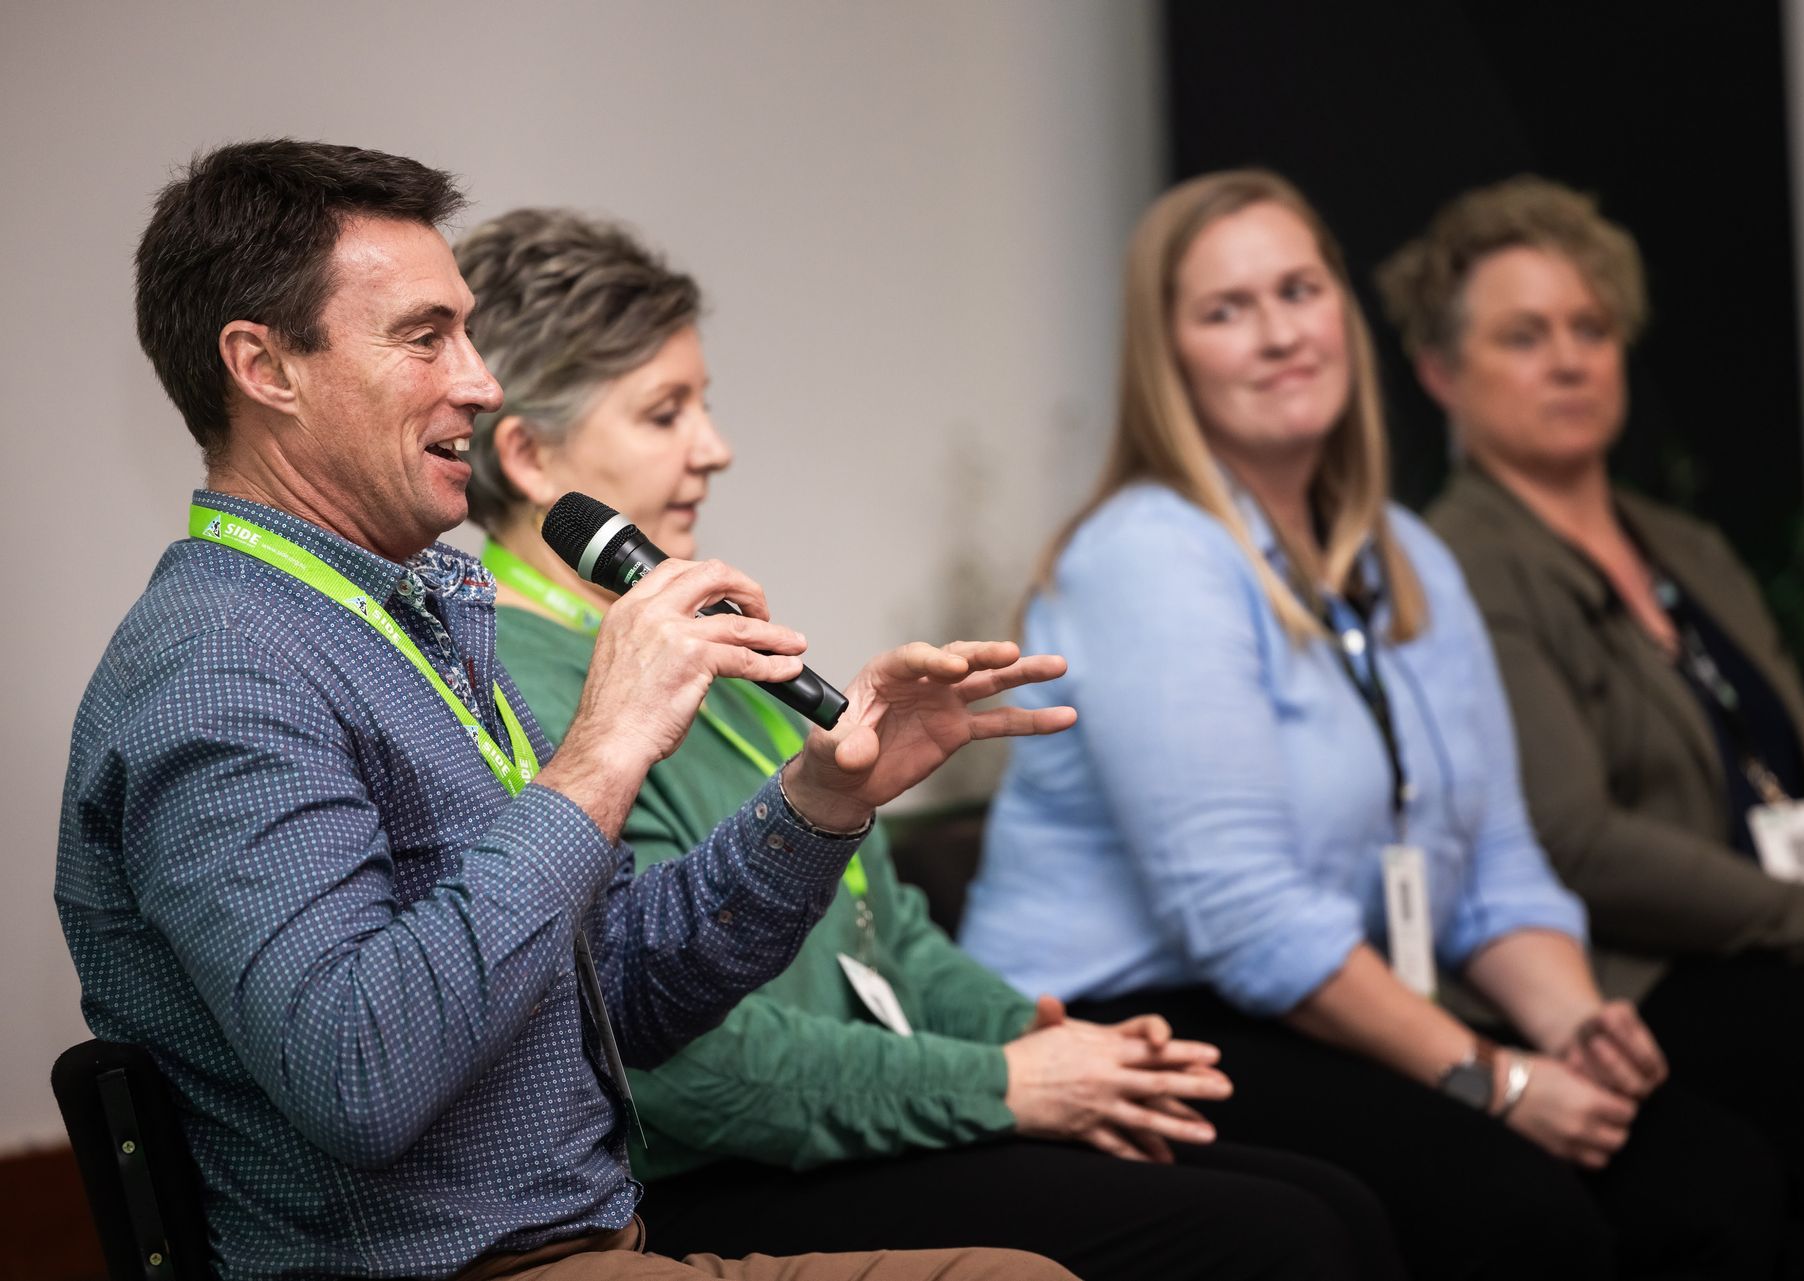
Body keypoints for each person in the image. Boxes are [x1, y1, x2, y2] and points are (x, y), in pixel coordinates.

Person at [55, 139, 1081, 1281]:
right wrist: (599, 753)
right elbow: (360, 1070)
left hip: (604, 1240)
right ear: (265, 367)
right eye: (423, 336)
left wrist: (820, 800)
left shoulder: (398, 623)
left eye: (470, 330)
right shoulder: (220, 670)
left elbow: (621, 996)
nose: (480, 381)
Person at [451, 205, 1408, 1281]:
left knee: (1329, 1198)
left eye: (704, 406)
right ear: (530, 458)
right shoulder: (512, 684)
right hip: (720, 1174)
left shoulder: (715, 634)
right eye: (665, 413)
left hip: (862, 1124)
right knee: (1287, 1234)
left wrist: (1043, 1042)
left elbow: (886, 932)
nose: (714, 450)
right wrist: (1002, 1083)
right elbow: (685, 1072)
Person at [958, 168, 1788, 1281]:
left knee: (1706, 1174)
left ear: (1343, 312)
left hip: (1318, 997)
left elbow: (1494, 858)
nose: (1276, 335)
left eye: (1298, 291)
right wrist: (1487, 1077)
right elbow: (1243, 918)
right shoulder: (1150, 555)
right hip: (1123, 1015)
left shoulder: (1407, 556)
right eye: (1226, 310)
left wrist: (1573, 1025)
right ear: (1169, 360)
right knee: (1515, 1209)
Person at [1386, 174, 1804, 1277]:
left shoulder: (1687, 546)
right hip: (1639, 975)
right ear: (1440, 374)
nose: (1569, 359)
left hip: (1791, 939)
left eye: (1590, 328)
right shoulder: (1456, 562)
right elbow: (1578, 837)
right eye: (1525, 337)